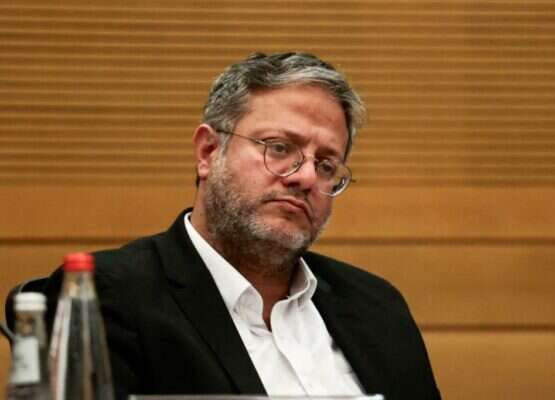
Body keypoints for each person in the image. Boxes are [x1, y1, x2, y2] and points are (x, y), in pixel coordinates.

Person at [41, 52, 441, 399]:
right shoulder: (107, 295)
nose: (305, 177)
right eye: (280, 147)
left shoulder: (377, 306)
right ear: (208, 152)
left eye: (325, 165)